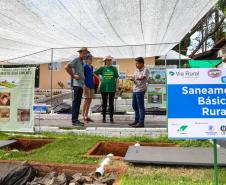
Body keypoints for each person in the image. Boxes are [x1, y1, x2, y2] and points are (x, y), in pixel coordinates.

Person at [65, 47, 88, 126]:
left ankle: (75, 120)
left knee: (78, 103)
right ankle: (74, 120)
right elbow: (66, 67)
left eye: (86, 53)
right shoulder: (76, 60)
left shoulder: (82, 62)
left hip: (80, 85)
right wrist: (73, 76)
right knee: (76, 103)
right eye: (84, 53)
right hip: (77, 85)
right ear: (80, 53)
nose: (85, 55)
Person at [94, 56, 119, 123]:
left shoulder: (114, 68)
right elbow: (95, 73)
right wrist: (99, 78)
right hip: (104, 88)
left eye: (110, 60)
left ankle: (111, 118)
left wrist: (117, 88)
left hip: (112, 88)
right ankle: (104, 118)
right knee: (104, 103)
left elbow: (117, 78)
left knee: (111, 103)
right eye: (107, 60)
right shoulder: (102, 68)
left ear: (111, 61)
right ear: (105, 61)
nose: (108, 62)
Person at [128, 57, 149, 128]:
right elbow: (135, 78)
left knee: (140, 107)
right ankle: (136, 121)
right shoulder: (136, 70)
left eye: (137, 63)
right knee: (134, 106)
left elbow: (142, 77)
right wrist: (132, 79)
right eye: (136, 63)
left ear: (142, 63)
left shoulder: (145, 69)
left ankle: (141, 122)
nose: (136, 65)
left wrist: (134, 78)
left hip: (140, 90)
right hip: (135, 89)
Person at [82, 53, 95, 123]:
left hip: (91, 85)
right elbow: (82, 77)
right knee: (86, 100)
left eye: (92, 59)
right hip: (86, 85)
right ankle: (82, 116)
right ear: (86, 60)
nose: (91, 60)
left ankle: (86, 115)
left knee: (90, 101)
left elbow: (92, 75)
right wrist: (84, 85)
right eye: (90, 59)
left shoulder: (92, 67)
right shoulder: (84, 67)